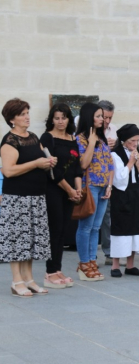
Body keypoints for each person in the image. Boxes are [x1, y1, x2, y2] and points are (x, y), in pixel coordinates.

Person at [0, 98, 56, 297]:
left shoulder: (32, 136)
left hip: (36, 197)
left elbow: (40, 159)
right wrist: (36, 164)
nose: (27, 117)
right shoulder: (9, 141)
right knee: (17, 240)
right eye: (22, 114)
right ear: (11, 119)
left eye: (27, 113)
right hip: (17, 198)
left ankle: (29, 279)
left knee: (31, 240)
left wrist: (49, 161)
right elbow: (8, 171)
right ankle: (17, 281)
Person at [40, 103, 83, 289]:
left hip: (70, 191)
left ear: (68, 119)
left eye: (63, 118)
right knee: (55, 230)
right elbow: (53, 170)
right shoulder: (47, 137)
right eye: (56, 118)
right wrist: (69, 190)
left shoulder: (72, 138)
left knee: (64, 230)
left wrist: (78, 190)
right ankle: (50, 272)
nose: (60, 121)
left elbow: (77, 168)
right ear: (51, 119)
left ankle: (57, 269)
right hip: (54, 189)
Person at [75, 102, 114, 281]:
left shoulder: (102, 137)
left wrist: (109, 185)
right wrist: (91, 143)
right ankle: (84, 263)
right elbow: (83, 164)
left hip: (103, 186)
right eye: (98, 116)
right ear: (89, 117)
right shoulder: (81, 138)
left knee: (96, 227)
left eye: (103, 116)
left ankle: (92, 261)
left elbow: (109, 163)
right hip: (89, 186)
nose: (102, 120)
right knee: (86, 227)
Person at [109, 124, 139, 277]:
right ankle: (115, 265)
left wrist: (138, 165)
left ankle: (130, 265)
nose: (135, 144)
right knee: (121, 230)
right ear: (123, 140)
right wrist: (129, 163)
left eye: (137, 140)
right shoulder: (115, 154)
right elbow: (119, 179)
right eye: (132, 141)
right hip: (122, 195)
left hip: (137, 195)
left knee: (136, 230)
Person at [97, 100, 118, 264]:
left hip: (108, 178)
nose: (107, 121)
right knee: (90, 218)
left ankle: (109, 251)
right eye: (105, 117)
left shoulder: (114, 131)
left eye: (110, 117)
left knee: (107, 216)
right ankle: (89, 255)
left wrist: (115, 145)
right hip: (92, 178)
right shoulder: (88, 130)